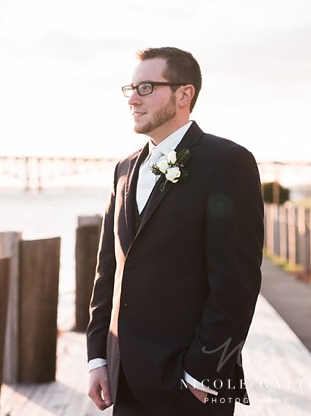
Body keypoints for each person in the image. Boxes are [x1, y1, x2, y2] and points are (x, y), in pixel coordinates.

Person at [85, 47, 264, 415]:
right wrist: (98, 359)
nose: (133, 99)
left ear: (184, 94)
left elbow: (237, 282)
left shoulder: (228, 163)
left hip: (189, 383)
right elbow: (109, 271)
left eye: (147, 87)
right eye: (131, 88)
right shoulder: (123, 169)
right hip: (124, 377)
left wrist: (204, 374)